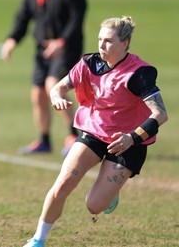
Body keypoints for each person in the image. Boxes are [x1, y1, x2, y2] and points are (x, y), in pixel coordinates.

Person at [22, 16, 168, 247]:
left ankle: (111, 192)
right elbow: (60, 86)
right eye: (100, 39)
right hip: (94, 133)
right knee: (62, 184)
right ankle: (38, 239)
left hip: (129, 142)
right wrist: (57, 96)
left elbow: (160, 114)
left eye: (109, 41)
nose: (101, 45)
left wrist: (131, 138)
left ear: (125, 43)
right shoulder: (90, 63)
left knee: (94, 205)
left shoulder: (139, 73)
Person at [1, 0, 87, 155]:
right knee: (38, 93)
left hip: (66, 49)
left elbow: (77, 18)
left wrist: (62, 41)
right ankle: (44, 141)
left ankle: (74, 136)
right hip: (43, 50)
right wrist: (12, 39)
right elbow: (23, 16)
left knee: (52, 86)